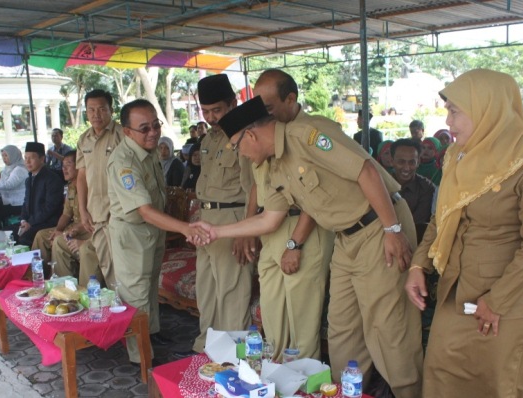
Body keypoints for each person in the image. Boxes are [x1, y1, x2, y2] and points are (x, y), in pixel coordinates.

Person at [194, 95, 424, 397]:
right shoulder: (274, 165)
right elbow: (269, 219)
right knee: (342, 330)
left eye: (238, 147)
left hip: (378, 225)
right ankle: (345, 392)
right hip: (345, 236)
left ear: (251, 134)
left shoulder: (307, 135)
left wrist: (392, 229)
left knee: (389, 330)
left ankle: (412, 392)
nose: (243, 155)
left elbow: (365, 171)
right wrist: (217, 231)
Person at [405, 69, 523, 398]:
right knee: (440, 374)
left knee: (494, 385)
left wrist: (496, 301)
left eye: (455, 111)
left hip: (506, 300)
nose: (448, 122)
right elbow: (442, 218)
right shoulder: (458, 157)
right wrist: (419, 266)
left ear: (488, 110)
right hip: (457, 289)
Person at [107, 99, 209, 363]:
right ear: (127, 131)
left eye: (156, 125)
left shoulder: (149, 150)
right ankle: (141, 358)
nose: (153, 132)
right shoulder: (124, 161)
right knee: (136, 293)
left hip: (153, 231)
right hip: (132, 233)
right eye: (144, 128)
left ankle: (150, 332)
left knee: (150, 285)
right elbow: (144, 210)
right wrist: (187, 228)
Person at [250, 68, 335, 360]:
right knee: (273, 320)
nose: (264, 113)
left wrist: (294, 244)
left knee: (302, 322)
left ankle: (305, 386)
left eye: (269, 107)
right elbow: (258, 186)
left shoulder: (311, 133)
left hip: (303, 230)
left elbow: (316, 197)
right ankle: (276, 381)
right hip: (271, 228)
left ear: (290, 99)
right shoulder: (266, 132)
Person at [174, 74, 255, 359]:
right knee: (207, 291)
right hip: (205, 219)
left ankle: (233, 358)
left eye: (217, 110)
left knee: (232, 293)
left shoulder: (246, 134)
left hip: (233, 219)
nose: (211, 117)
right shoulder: (209, 137)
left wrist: (245, 232)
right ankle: (207, 351)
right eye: (205, 112)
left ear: (233, 103)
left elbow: (254, 187)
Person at [76, 89, 123, 287]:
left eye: (102, 109)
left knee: (119, 268)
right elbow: (81, 176)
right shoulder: (84, 139)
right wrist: (82, 210)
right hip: (95, 214)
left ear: (111, 110)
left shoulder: (122, 135)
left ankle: (127, 314)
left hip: (118, 213)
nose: (96, 114)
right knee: (105, 266)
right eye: (91, 110)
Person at [48, 152, 99, 284]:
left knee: (85, 248)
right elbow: (66, 214)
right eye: (62, 165)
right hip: (82, 227)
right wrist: (60, 230)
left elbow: (96, 219)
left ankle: (86, 293)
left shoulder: (93, 186)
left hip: (96, 230)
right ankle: (64, 288)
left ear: (80, 166)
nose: (63, 169)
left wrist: (77, 233)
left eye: (68, 165)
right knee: (57, 239)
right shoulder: (71, 186)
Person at [18, 142, 64, 247]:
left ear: (42, 159)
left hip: (47, 223)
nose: (27, 161)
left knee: (24, 238)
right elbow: (26, 202)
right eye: (25, 158)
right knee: (8, 232)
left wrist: (31, 223)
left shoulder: (52, 179)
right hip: (30, 221)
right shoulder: (28, 179)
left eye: (31, 158)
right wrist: (24, 220)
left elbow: (50, 207)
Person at [390, 139, 436, 244]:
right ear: (392, 161)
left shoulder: (426, 188)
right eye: (401, 162)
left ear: (418, 162)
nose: (406, 168)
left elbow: (416, 225)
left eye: (412, 162)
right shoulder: (381, 184)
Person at [0, 145, 27, 229]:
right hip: (8, 201)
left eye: (6, 155)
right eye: (2, 156)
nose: (4, 158)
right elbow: (1, 183)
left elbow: (9, 185)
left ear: (13, 155)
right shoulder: (7, 169)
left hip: (19, 204)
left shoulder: (20, 169)